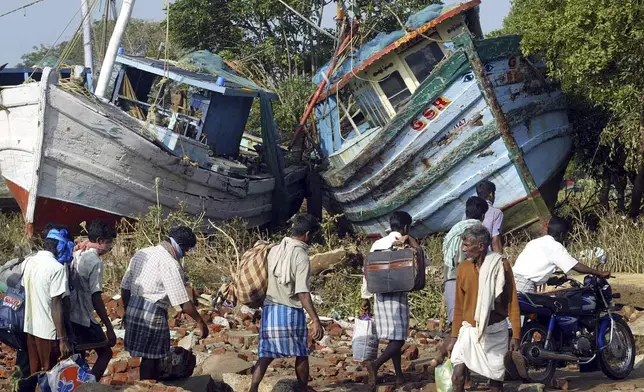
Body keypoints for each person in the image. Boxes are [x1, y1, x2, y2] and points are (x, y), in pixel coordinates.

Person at [120, 226, 209, 381]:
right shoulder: (170, 263)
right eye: (186, 249)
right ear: (181, 246)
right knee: (151, 357)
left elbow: (125, 286)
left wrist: (128, 309)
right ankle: (148, 386)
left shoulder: (143, 252)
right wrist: (201, 322)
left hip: (133, 305)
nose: (185, 253)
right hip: (153, 311)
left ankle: (149, 385)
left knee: (146, 356)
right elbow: (182, 302)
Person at [249, 214, 324, 392]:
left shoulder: (275, 249)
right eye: (312, 235)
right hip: (289, 312)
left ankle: (253, 389)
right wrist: (315, 320)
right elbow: (303, 293)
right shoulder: (301, 255)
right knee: (301, 353)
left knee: (265, 355)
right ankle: (303, 389)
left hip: (269, 310)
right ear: (307, 234)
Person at [447, 223, 521, 392]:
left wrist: (516, 335)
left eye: (466, 245)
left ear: (480, 246)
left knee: (495, 384)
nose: (463, 249)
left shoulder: (501, 265)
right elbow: (459, 305)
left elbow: (512, 301)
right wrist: (453, 337)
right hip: (469, 332)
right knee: (457, 376)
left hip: (495, 333)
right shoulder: (463, 268)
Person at [361, 211, 422, 388]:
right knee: (399, 338)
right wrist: (412, 241)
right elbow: (423, 261)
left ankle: (399, 376)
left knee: (392, 337)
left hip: (379, 294)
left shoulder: (377, 244)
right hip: (397, 294)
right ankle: (376, 364)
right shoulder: (406, 245)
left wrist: (365, 297)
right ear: (405, 228)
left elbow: (367, 271)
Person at [22, 224, 74, 375]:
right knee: (51, 376)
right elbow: (56, 304)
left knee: (36, 373)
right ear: (59, 246)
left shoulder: (29, 262)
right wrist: (63, 339)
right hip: (48, 333)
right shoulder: (56, 268)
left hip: (30, 329)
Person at [69, 219, 118, 380]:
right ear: (100, 241)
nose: (110, 247)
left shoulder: (78, 252)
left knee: (78, 357)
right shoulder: (96, 262)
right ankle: (90, 386)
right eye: (109, 242)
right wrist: (109, 327)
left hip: (69, 315)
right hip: (84, 317)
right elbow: (96, 297)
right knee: (105, 353)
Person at [512, 216, 611, 293]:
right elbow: (575, 266)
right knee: (525, 317)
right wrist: (600, 273)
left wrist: (550, 280)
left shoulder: (535, 242)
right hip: (524, 286)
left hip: (512, 281)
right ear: (562, 234)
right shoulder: (555, 246)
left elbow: (532, 267)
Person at [442, 196, 489, 325]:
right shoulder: (479, 231)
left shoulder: (454, 229)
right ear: (483, 215)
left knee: (455, 321)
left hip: (450, 277)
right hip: (469, 279)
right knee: (471, 321)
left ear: (466, 212)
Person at [476, 180, 504, 254]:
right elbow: (495, 241)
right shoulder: (496, 213)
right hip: (487, 257)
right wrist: (501, 261)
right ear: (491, 194)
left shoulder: (467, 215)